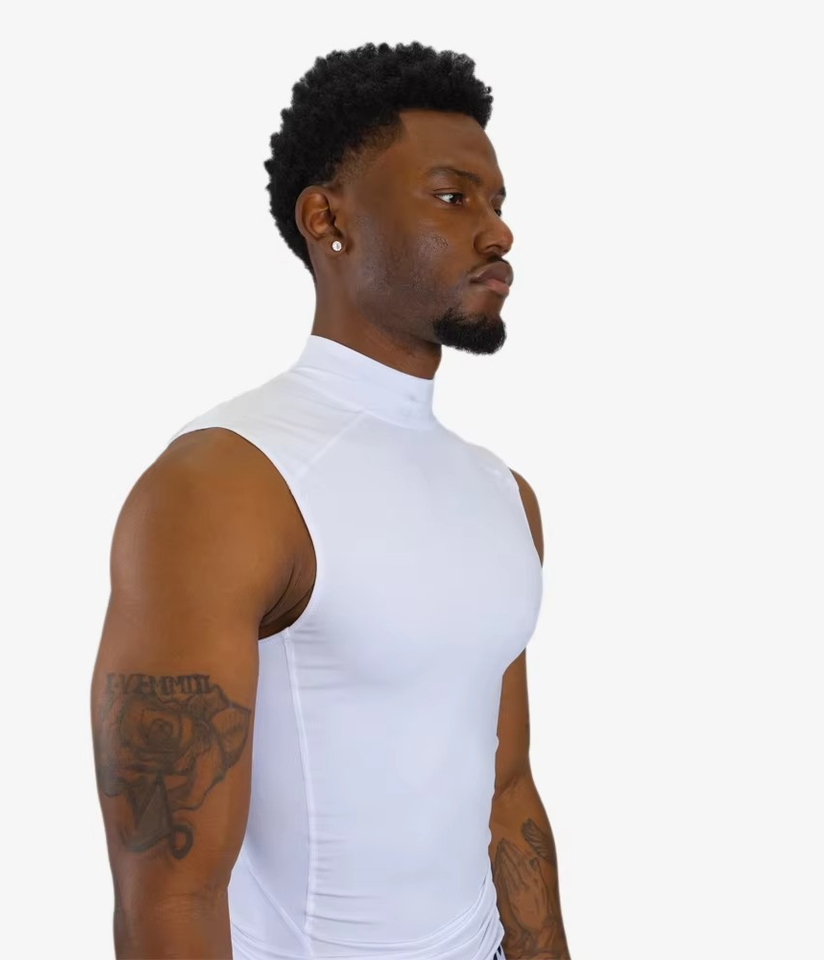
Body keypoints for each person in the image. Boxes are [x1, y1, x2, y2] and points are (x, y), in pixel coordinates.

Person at [91, 40, 571, 960]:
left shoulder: (505, 496)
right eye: (453, 196)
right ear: (327, 218)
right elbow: (169, 894)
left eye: (499, 203)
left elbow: (507, 793)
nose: (498, 233)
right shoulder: (224, 484)